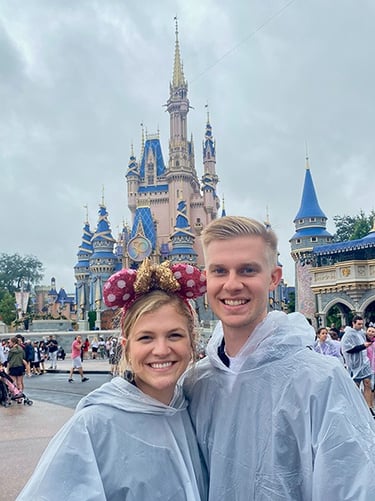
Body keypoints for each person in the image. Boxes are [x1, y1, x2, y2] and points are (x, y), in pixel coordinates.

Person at [184, 216, 375, 500]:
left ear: (274, 277)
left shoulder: (321, 381)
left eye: (248, 270)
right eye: (220, 271)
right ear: (206, 279)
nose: (232, 284)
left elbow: (354, 485)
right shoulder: (196, 383)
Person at [17, 259, 208, 500]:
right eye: (146, 338)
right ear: (126, 348)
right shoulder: (93, 425)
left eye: (174, 335)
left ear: (191, 342)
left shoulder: (194, 411)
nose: (161, 349)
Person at [341, 315, 374, 415]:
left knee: (368, 383)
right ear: (353, 323)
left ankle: (368, 407)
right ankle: (356, 408)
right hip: (355, 365)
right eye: (358, 324)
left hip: (364, 362)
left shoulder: (361, 333)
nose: (360, 326)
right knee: (356, 386)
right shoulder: (348, 335)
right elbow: (348, 349)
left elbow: (369, 337)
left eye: (362, 324)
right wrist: (362, 346)